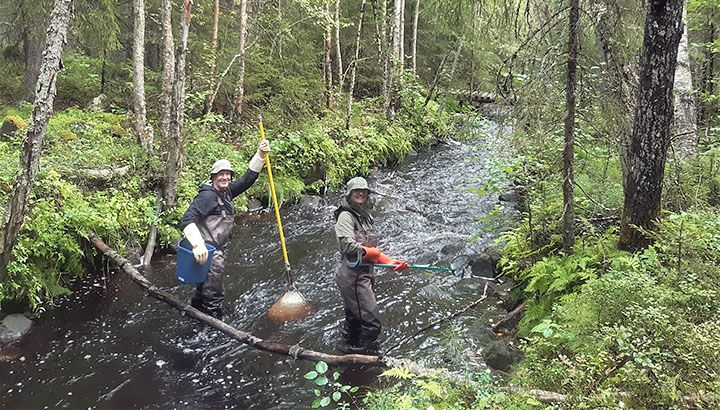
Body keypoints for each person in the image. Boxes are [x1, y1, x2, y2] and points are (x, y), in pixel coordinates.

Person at [179, 139, 271, 320]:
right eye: (221, 175)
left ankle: (193, 316)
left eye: (228, 175)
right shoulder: (207, 197)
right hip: (208, 252)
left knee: (202, 289)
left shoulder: (226, 191)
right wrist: (198, 245)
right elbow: (187, 220)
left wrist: (260, 155)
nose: (225, 178)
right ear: (213, 177)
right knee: (214, 293)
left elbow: (247, 179)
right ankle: (213, 329)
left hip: (215, 250)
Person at [333, 176, 409, 353]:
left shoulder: (365, 217)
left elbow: (371, 250)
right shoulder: (345, 216)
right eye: (357, 191)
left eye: (364, 191)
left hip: (364, 273)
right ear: (349, 194)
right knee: (371, 323)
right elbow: (346, 245)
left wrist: (389, 261)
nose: (361, 194)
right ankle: (364, 358)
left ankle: (347, 348)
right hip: (352, 276)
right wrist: (373, 253)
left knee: (355, 318)